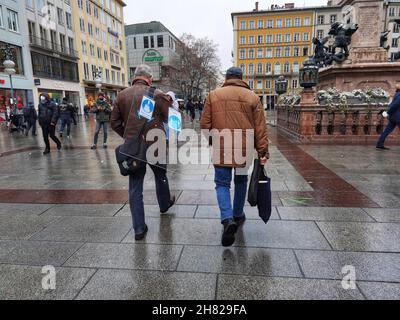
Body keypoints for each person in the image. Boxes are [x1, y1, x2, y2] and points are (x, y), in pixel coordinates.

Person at [200, 67, 269, 247]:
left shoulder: (213, 95)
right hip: (244, 147)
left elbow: (204, 124)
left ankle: (227, 219)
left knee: (222, 184)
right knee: (240, 181)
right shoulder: (252, 97)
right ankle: (238, 214)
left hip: (221, 146)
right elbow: (260, 128)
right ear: (241, 78)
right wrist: (262, 151)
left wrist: (214, 141)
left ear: (227, 77)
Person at [111, 64, 176, 241]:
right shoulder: (157, 95)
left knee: (135, 187)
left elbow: (114, 123)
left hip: (134, 148)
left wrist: (129, 136)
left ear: (135, 77)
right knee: (160, 176)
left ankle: (139, 228)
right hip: (156, 145)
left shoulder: (121, 95)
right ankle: (164, 205)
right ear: (149, 79)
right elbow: (174, 120)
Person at [377, 84, 400, 150]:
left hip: (393, 116)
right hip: (397, 117)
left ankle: (379, 144)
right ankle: (379, 144)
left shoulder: (397, 94)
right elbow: (395, 105)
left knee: (387, 131)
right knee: (387, 130)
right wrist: (388, 112)